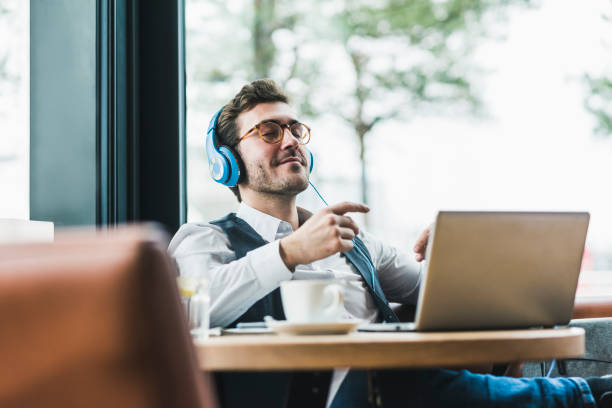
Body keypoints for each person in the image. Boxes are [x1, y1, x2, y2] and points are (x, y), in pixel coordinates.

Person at [169, 79, 612, 408]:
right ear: (227, 163)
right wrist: (290, 252)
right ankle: (583, 397)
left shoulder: (358, 242)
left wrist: (457, 265)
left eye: (295, 130)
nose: (289, 141)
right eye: (268, 132)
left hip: (392, 388)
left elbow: (450, 297)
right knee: (392, 381)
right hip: (309, 397)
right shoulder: (206, 239)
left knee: (401, 380)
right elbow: (189, 312)